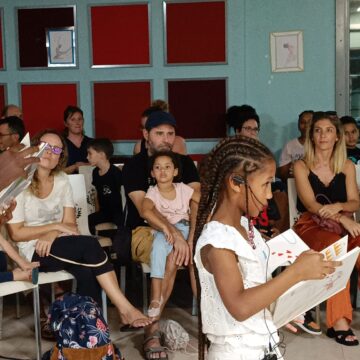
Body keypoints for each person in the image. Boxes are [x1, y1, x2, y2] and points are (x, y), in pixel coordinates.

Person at [193, 135, 339, 360]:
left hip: (262, 347)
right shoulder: (218, 242)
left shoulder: (244, 227)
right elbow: (240, 306)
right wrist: (296, 272)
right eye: (265, 184)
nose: (270, 194)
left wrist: (277, 309)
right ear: (235, 183)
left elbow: (254, 287)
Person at [7, 129, 151, 331]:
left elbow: (71, 225)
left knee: (87, 270)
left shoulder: (62, 180)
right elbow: (16, 233)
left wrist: (51, 233)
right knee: (91, 246)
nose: (50, 153)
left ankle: (91, 329)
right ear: (34, 149)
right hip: (32, 251)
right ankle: (125, 309)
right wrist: (56, 226)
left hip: (59, 242)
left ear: (61, 156)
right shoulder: (20, 182)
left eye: (56, 149)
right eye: (45, 147)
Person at [122, 110, 199, 359]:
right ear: (146, 135)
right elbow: (144, 209)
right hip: (146, 230)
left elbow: (196, 204)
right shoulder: (133, 165)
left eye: (170, 133)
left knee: (207, 252)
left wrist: (189, 237)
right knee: (170, 250)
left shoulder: (184, 164)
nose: (166, 138)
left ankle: (214, 321)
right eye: (159, 133)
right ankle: (152, 331)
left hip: (184, 230)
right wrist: (175, 234)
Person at [294, 111, 360, 346]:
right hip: (310, 225)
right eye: (318, 130)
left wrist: (341, 208)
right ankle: (339, 322)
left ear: (337, 137)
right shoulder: (301, 166)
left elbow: (355, 201)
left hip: (344, 224)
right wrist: (343, 218)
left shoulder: (347, 166)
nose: (323, 135)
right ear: (312, 136)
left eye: (329, 130)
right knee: (336, 248)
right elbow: (311, 205)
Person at [142, 150, 200, 318]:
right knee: (158, 248)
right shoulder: (153, 192)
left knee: (187, 257)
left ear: (175, 171)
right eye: (158, 167)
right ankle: (155, 298)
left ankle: (205, 306)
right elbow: (145, 210)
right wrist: (165, 227)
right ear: (152, 173)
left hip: (185, 228)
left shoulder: (183, 188)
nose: (163, 171)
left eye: (167, 167)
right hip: (164, 230)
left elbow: (203, 200)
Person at [226, 104, 288, 236]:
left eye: (255, 129)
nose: (252, 133)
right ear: (238, 130)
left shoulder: (261, 152)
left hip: (260, 188)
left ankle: (274, 231)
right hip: (242, 189)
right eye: (248, 129)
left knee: (278, 189)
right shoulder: (230, 152)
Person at [86, 138, 123, 234]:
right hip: (104, 212)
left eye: (90, 153)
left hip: (117, 213)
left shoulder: (115, 173)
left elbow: (122, 195)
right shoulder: (95, 172)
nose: (87, 157)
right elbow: (97, 193)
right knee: (86, 221)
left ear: (102, 155)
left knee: (121, 227)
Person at [278, 110, 314, 182]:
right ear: (298, 125)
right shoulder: (290, 146)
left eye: (309, 122)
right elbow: (282, 173)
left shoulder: (320, 144)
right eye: (302, 122)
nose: (306, 126)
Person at [63, 105, 92, 174]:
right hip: (67, 183)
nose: (77, 123)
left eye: (80, 119)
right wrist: (74, 167)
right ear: (66, 123)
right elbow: (54, 172)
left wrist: (84, 166)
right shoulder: (60, 144)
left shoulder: (92, 143)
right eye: (73, 119)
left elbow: (102, 165)